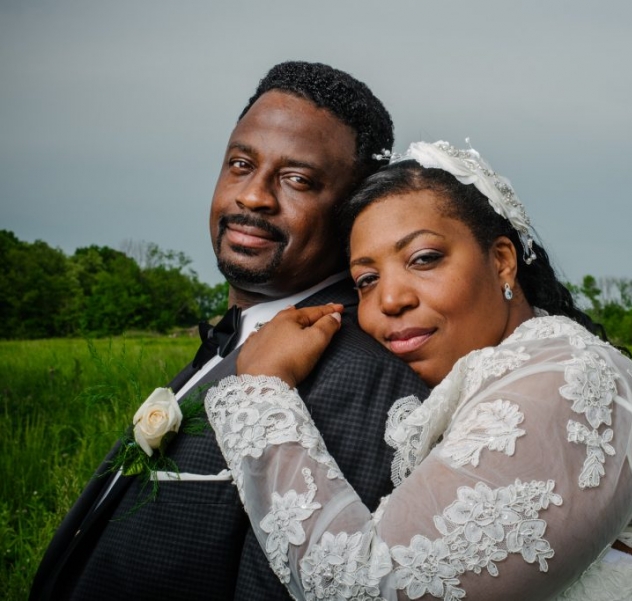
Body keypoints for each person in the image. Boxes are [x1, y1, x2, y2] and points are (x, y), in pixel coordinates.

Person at [205, 140, 632, 599]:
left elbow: (372, 585)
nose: (390, 299)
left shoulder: (568, 380)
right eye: (365, 279)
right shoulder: (503, 371)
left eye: (424, 258)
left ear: (501, 262)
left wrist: (260, 390)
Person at [30, 62, 429, 600]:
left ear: (354, 210)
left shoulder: (357, 371)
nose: (253, 196)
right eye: (240, 164)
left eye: (297, 179)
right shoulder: (242, 332)